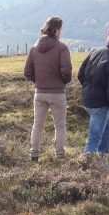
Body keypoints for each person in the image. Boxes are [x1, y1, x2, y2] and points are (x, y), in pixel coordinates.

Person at [23, 16, 72, 161]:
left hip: (39, 92)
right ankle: (59, 155)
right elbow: (67, 70)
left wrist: (38, 81)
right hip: (58, 93)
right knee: (60, 125)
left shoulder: (34, 48)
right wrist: (64, 81)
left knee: (37, 124)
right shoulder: (62, 48)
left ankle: (34, 154)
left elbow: (27, 72)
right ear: (56, 30)